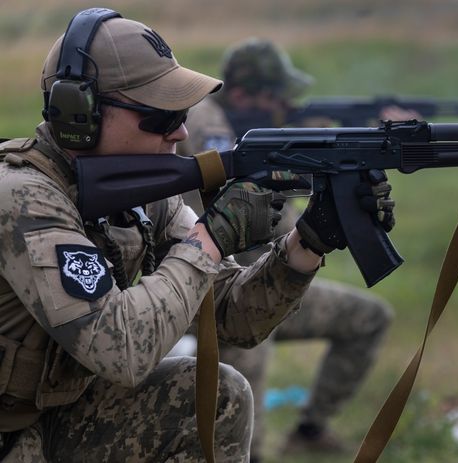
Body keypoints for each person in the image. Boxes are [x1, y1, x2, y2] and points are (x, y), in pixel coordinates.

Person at [0, 10, 395, 462]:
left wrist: (306, 245)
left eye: (182, 115)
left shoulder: (145, 196)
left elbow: (233, 315)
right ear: (80, 115)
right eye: (161, 118)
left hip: (50, 419)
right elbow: (122, 351)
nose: (182, 132)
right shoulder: (23, 199)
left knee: (217, 394)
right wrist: (209, 238)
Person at [177, 38, 407, 461]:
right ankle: (249, 455)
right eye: (276, 97)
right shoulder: (206, 123)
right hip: (204, 287)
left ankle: (310, 429)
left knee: (368, 318)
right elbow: (247, 201)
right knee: (249, 343)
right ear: (244, 96)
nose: (285, 105)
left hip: (263, 279)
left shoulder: (247, 129)